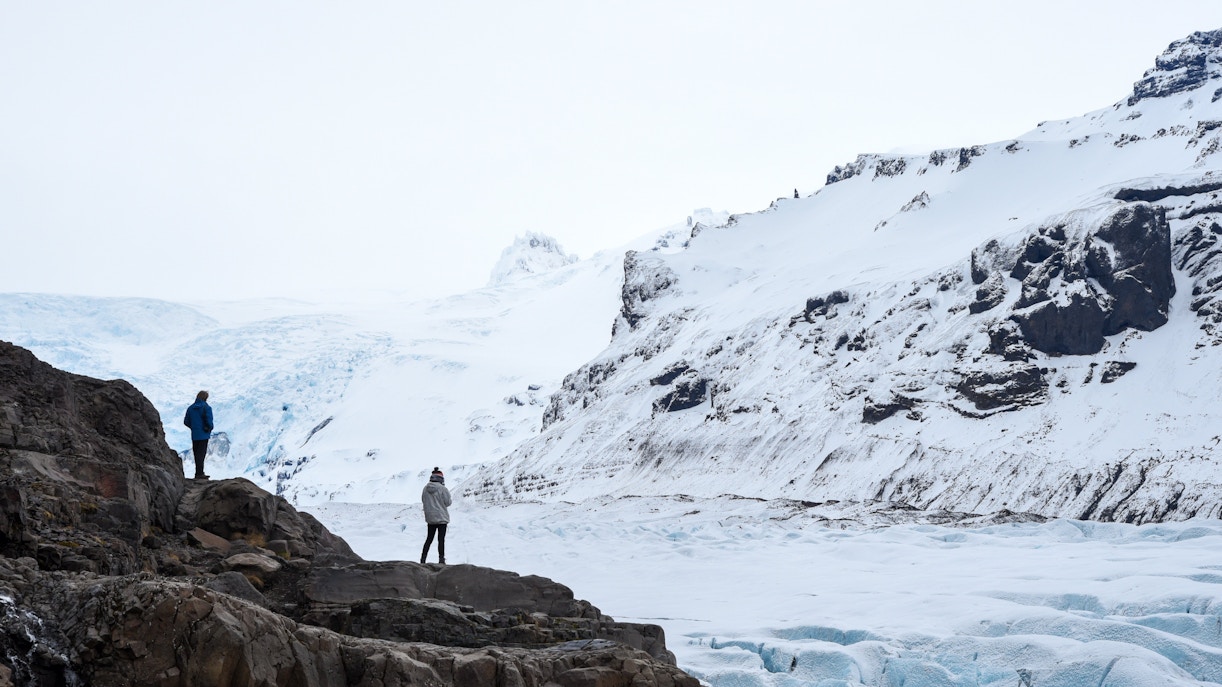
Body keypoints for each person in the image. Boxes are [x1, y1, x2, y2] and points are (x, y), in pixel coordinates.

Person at [420, 467, 452, 565]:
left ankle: (423, 559)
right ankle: (441, 560)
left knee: (429, 539)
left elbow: (423, 500)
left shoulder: (425, 489)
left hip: (430, 518)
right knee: (441, 539)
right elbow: (448, 502)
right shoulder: (443, 489)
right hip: (441, 518)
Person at [183, 390, 214, 480]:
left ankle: (198, 473)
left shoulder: (190, 408)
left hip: (195, 435)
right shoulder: (206, 407)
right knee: (201, 454)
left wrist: (194, 427)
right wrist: (209, 428)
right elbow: (209, 421)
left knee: (196, 454)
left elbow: (186, 421)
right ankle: (199, 474)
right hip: (204, 434)